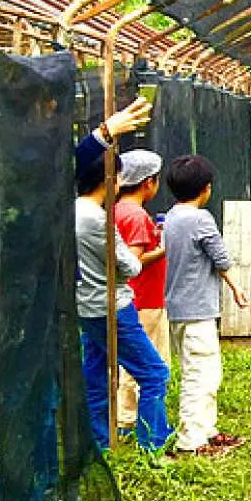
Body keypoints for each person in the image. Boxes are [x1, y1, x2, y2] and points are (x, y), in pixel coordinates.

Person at [74, 155, 172, 454]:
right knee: (155, 373)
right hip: (113, 306)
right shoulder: (97, 218)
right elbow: (130, 265)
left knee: (94, 373)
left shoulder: (73, 211)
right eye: (116, 177)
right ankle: (153, 445)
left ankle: (99, 442)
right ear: (106, 180)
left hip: (85, 305)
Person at [163, 155, 248, 457]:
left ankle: (207, 431)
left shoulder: (170, 216)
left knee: (202, 372)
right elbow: (221, 259)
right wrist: (237, 288)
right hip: (197, 311)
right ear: (206, 189)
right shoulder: (200, 219)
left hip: (175, 309)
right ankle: (191, 442)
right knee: (200, 376)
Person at [114, 150, 170, 438]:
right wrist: (163, 248)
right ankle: (132, 421)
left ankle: (129, 418)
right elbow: (133, 262)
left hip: (133, 299)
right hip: (143, 299)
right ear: (149, 182)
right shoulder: (135, 216)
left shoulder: (116, 210)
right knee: (145, 365)